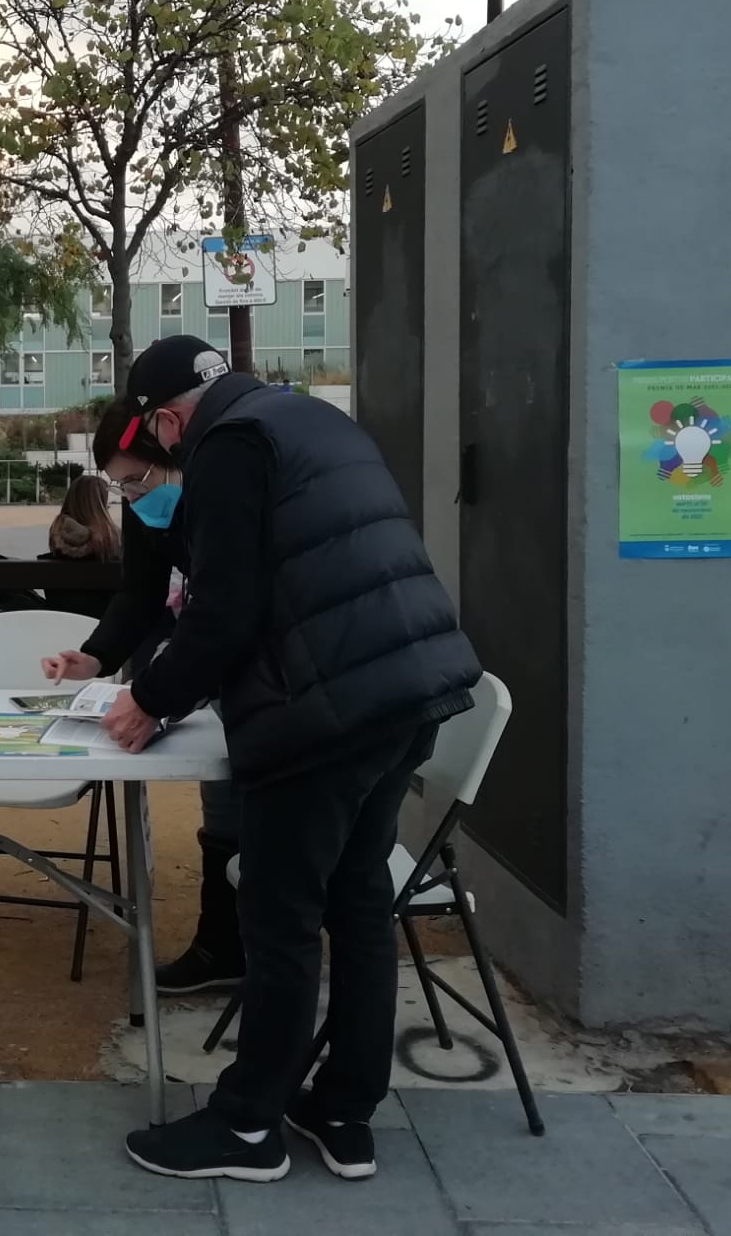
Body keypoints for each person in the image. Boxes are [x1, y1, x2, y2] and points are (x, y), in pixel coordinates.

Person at [57, 335, 480, 1187]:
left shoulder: (227, 447)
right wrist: (113, 666)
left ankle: (248, 1125)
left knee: (282, 922)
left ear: (167, 419)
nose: (156, 464)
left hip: (322, 714)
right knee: (358, 902)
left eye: (155, 445)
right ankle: (342, 1108)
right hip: (410, 690)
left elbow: (224, 612)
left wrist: (152, 699)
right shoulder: (311, 422)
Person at [38, 472, 120, 618]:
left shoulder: (57, 539)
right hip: (106, 622)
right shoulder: (113, 541)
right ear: (101, 506)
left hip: (64, 620)